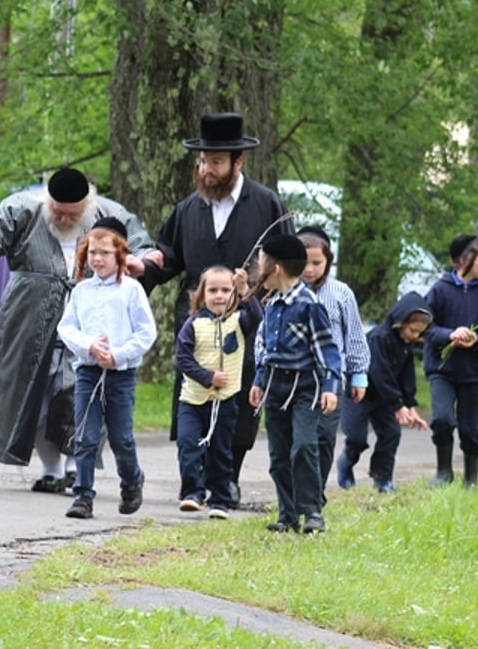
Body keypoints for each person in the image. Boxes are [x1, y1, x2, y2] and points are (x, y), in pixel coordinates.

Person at [0, 167, 151, 492]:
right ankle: (50, 469)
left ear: (86, 206)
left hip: (90, 322)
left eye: (71, 214)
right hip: (28, 319)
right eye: (58, 212)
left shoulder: (107, 212)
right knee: (35, 396)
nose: (64, 219)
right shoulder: (24, 207)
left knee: (81, 393)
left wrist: (145, 258)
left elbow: (137, 241)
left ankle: (77, 467)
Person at [143, 112, 291, 507]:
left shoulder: (266, 204)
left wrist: (260, 287)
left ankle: (228, 479)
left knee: (237, 401)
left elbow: (286, 264)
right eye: (203, 162)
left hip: (246, 323)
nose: (207, 170)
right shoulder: (188, 208)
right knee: (195, 394)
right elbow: (169, 254)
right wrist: (145, 265)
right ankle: (196, 476)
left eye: (217, 162)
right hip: (196, 322)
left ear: (238, 162)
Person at [55, 217, 157, 519]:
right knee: (86, 435)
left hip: (121, 375)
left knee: (120, 437)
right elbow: (67, 327)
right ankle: (83, 496)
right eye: (93, 253)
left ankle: (131, 480)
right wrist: (89, 346)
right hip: (88, 373)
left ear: (121, 256)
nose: (97, 259)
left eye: (105, 253)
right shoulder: (81, 291)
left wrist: (118, 355)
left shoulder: (131, 291)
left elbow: (146, 333)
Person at [247, 233, 341, 534]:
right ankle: (287, 515)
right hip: (275, 386)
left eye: (260, 264)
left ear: (275, 269)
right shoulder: (272, 304)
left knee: (303, 446)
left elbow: (327, 348)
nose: (256, 271)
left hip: (305, 387)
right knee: (278, 455)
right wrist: (259, 381)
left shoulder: (308, 305)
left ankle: (313, 511)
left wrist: (330, 386)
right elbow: (264, 350)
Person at [174, 265, 262, 519]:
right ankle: (192, 492)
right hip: (192, 400)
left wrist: (246, 290)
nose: (220, 296)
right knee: (188, 445)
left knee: (221, 451)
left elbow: (257, 317)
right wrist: (208, 377)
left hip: (224, 402)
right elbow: (183, 359)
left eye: (226, 290)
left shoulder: (238, 322)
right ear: (201, 295)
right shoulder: (193, 324)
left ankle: (220, 499)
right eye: (213, 290)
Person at [421, 234, 478, 490]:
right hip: (442, 371)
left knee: (472, 428)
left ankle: (471, 479)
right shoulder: (439, 290)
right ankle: (443, 472)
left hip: (475, 373)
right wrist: (449, 334)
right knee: (442, 419)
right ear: (464, 260)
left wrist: (477, 339)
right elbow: (426, 327)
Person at [296, 226, 370, 505]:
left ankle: (315, 492)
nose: (310, 269)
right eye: (304, 262)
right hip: (295, 378)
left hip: (330, 380)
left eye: (317, 263)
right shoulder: (285, 292)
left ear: (328, 261)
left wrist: (358, 373)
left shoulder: (341, 293)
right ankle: (297, 493)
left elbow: (354, 336)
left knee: (324, 437)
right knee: (299, 441)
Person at [336, 292, 433, 493]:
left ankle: (382, 478)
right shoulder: (379, 338)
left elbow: (407, 376)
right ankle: (346, 463)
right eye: (413, 330)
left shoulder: (406, 344)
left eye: (419, 333)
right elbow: (380, 374)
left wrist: (410, 405)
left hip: (383, 398)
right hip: (359, 394)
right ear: (401, 322)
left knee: (391, 434)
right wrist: (398, 406)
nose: (415, 336)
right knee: (356, 438)